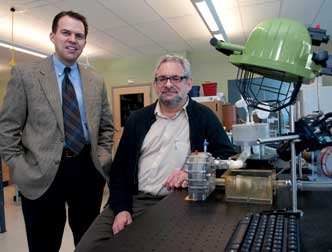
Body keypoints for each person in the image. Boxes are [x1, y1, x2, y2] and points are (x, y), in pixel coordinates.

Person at [75, 54, 236, 252]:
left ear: (188, 83)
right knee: (86, 248)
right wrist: (122, 209)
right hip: (133, 200)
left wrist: (194, 173)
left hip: (177, 204)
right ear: (155, 84)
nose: (168, 84)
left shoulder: (204, 117)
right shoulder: (137, 119)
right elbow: (120, 171)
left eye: (176, 78)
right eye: (162, 79)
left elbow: (228, 158)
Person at [0, 11, 114, 252]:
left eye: (79, 35)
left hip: (86, 169)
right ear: (53, 36)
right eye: (66, 33)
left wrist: (103, 156)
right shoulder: (26, 75)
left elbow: (106, 127)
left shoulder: (95, 80)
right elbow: (7, 128)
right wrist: (19, 168)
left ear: (84, 41)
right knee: (43, 244)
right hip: (40, 172)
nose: (73, 39)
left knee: (89, 243)